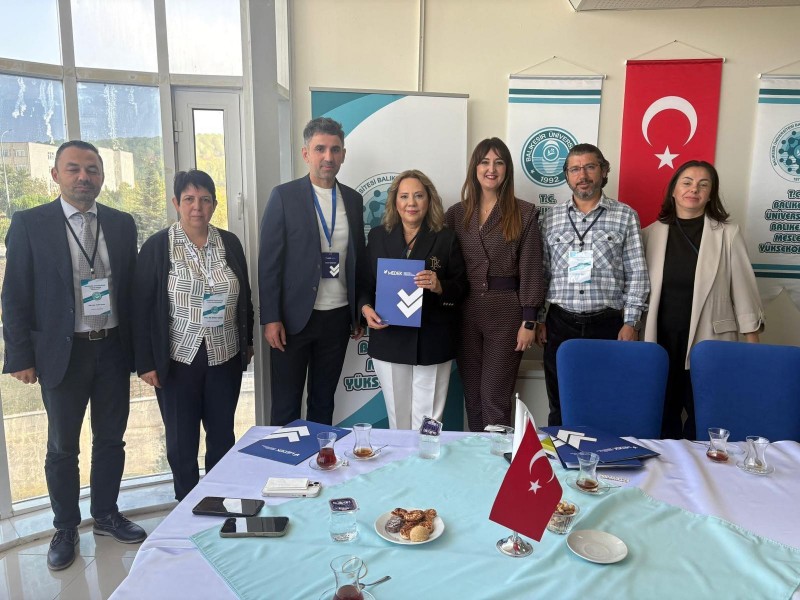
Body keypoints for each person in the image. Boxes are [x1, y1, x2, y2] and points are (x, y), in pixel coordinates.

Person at [1, 140, 145, 571]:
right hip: (62, 353)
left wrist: (140, 352)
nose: (84, 177)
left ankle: (106, 514)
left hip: (112, 348)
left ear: (102, 176)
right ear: (55, 175)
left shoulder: (121, 223)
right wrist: (20, 355)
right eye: (73, 169)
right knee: (63, 446)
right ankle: (65, 527)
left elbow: (132, 291)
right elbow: (14, 294)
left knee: (111, 439)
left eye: (92, 169)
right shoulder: (30, 223)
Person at [135, 169, 254, 500]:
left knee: (222, 435)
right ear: (176, 203)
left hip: (224, 355)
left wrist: (247, 342)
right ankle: (186, 504)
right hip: (178, 359)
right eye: (189, 199)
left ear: (214, 204)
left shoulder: (229, 242)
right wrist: (145, 362)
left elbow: (245, 294)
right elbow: (141, 308)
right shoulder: (158, 247)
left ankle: (219, 498)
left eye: (204, 199)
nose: (197, 207)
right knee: (180, 441)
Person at [642, 160, 764, 440]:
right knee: (662, 415)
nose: (693, 189)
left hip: (710, 339)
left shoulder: (728, 233)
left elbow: (743, 289)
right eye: (686, 183)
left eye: (703, 184)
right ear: (674, 190)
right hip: (660, 339)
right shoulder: (649, 234)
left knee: (705, 416)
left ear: (711, 194)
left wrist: (752, 344)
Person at [259, 117, 366, 425]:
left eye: (335, 149)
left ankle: (320, 455)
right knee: (286, 405)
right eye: (320, 149)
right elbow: (269, 263)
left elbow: (358, 260)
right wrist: (270, 318)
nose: (328, 157)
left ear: (343, 154)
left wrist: (357, 313)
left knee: (323, 401)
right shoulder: (284, 196)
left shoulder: (354, 200)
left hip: (337, 318)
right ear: (306, 153)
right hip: (292, 321)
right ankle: (283, 456)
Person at [537, 143, 649, 427]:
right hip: (560, 324)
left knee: (607, 401)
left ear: (604, 170)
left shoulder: (625, 216)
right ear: (567, 175)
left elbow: (637, 273)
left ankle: (603, 454)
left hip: (609, 324)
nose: (582, 175)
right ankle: (560, 453)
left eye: (589, 167)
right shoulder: (550, 218)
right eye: (575, 169)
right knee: (560, 402)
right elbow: (543, 273)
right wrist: (539, 318)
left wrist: (631, 322)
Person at [445, 138, 545, 432]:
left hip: (506, 313)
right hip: (465, 312)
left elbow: (531, 268)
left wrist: (529, 320)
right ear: (474, 168)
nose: (491, 169)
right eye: (485, 162)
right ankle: (478, 455)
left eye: (499, 162)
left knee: (494, 397)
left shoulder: (524, 212)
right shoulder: (456, 213)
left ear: (507, 170)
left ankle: (497, 458)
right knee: (473, 397)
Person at [360, 170, 468, 429]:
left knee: (428, 423)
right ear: (394, 201)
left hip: (432, 340)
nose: (411, 203)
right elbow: (364, 280)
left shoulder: (446, 237)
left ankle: (426, 457)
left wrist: (440, 286)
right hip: (389, 337)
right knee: (397, 420)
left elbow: (462, 287)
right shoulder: (378, 236)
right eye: (404, 196)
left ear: (429, 200)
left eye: (418, 196)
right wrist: (365, 308)